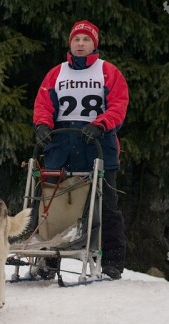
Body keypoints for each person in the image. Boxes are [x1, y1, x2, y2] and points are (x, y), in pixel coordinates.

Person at [33, 20, 129, 280]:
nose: (80, 44)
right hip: (61, 145)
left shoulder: (107, 72)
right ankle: (48, 259)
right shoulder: (57, 73)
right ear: (70, 43)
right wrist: (42, 126)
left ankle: (112, 261)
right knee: (53, 205)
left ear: (94, 44)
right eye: (76, 39)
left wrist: (101, 125)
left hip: (98, 145)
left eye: (86, 40)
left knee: (106, 206)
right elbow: (44, 104)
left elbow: (118, 105)